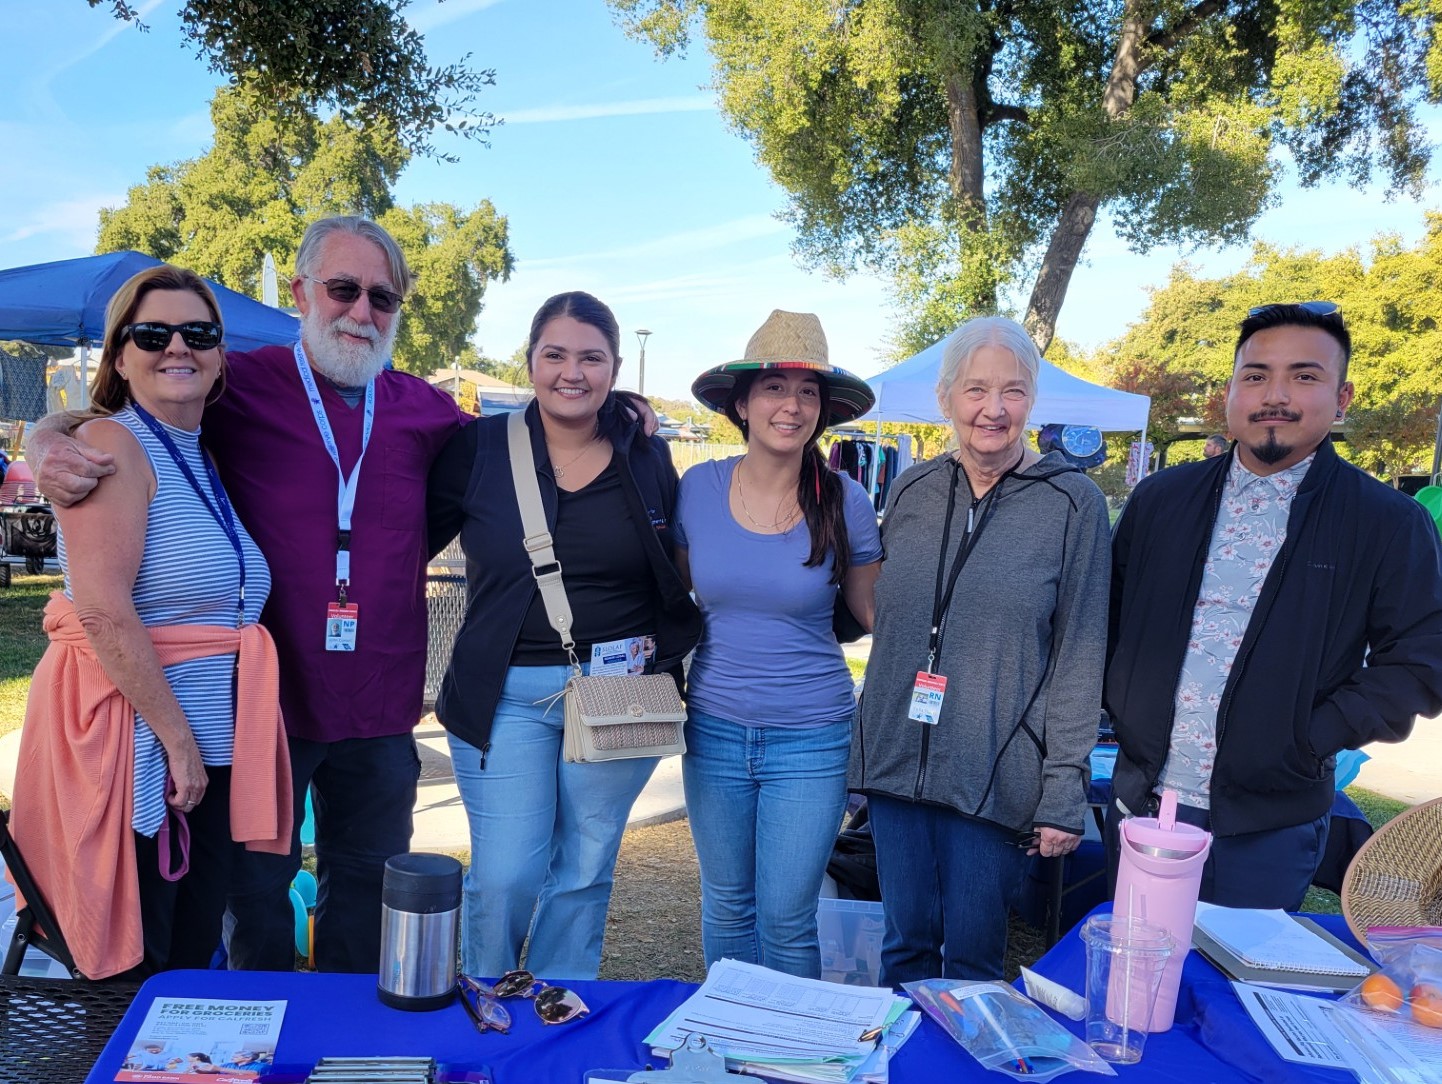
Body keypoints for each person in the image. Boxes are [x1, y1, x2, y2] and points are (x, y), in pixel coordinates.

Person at [26, 217, 468, 972]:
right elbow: (130, 412)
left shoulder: (428, 411)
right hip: (264, 704)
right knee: (252, 891)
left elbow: (525, 451)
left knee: (363, 886)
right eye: (342, 289)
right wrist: (47, 434)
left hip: (380, 698)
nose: (361, 312)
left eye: (382, 297)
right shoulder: (236, 385)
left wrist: (623, 420)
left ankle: (339, 1045)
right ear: (300, 293)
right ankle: (255, 1033)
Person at [1106, 302, 1442, 909]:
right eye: (1256, 375)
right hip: (1143, 802)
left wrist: (1308, 737)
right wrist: (1120, 708)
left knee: (1235, 995)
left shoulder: (1389, 523)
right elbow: (1107, 621)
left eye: (1304, 376)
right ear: (1230, 392)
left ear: (1342, 398)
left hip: (1267, 824)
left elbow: (1421, 661)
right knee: (1134, 985)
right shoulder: (1162, 499)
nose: (1275, 395)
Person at [8, 265, 291, 980]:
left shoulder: (193, 448)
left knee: (189, 949)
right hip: (141, 741)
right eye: (153, 332)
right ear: (121, 355)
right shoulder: (114, 447)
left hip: (197, 738)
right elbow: (103, 610)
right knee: (150, 960)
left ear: (221, 354)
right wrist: (178, 741)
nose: (177, 347)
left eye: (198, 333)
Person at [426, 291, 702, 979]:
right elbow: (402, 539)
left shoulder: (645, 453)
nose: (571, 372)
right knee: (507, 872)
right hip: (503, 694)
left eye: (591, 357)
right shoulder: (476, 449)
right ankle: (487, 1005)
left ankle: (553, 1012)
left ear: (614, 368)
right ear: (530, 362)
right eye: (555, 354)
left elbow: (677, 562)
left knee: (583, 868)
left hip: (619, 690)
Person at [851, 315, 1111, 983]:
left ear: (1032, 400)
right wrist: (864, 755)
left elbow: (1080, 654)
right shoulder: (911, 488)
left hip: (996, 765)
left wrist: (1062, 791)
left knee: (970, 958)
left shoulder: (1072, 504)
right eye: (975, 390)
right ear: (945, 400)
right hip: (897, 762)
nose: (993, 410)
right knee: (904, 944)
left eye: (1014, 391)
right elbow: (895, 630)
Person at [675, 310, 882, 977]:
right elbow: (673, 598)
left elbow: (874, 612)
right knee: (728, 905)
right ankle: (730, 1049)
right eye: (774, 388)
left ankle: (791, 1062)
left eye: (808, 392)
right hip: (713, 729)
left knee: (788, 916)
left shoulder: (845, 499)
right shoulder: (697, 489)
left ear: (822, 410)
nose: (791, 405)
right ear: (741, 402)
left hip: (813, 736)